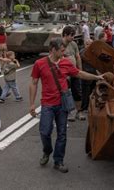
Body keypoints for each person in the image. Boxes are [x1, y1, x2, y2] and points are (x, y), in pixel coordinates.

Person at [29, 38, 104, 173]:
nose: (64, 53)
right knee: (44, 131)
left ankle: (59, 161)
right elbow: (33, 83)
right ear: (53, 50)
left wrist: (97, 77)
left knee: (62, 134)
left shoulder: (66, 63)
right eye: (62, 50)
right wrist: (31, 104)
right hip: (47, 103)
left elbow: (79, 73)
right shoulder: (39, 64)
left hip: (62, 104)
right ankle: (47, 151)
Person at [61, 26, 83, 122]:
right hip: (64, 74)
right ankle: (70, 111)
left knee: (77, 92)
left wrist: (80, 70)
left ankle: (79, 111)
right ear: (65, 35)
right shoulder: (59, 44)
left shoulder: (73, 44)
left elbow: (77, 57)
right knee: (66, 93)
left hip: (74, 72)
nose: (73, 38)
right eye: (71, 35)